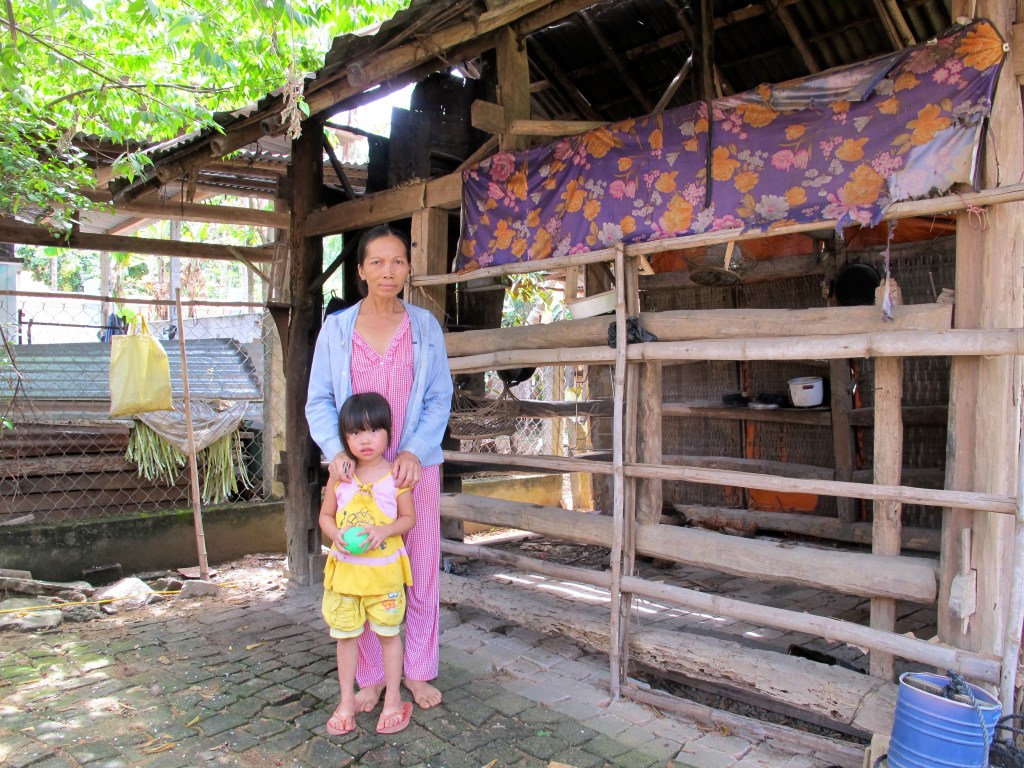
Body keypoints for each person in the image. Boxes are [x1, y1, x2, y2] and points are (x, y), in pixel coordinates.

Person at [306, 224, 453, 713]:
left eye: (397, 262)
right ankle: (368, 676)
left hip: (413, 471)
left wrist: (412, 450)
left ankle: (415, 671)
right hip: (355, 474)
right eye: (377, 262)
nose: (388, 271)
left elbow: (438, 397)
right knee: (362, 566)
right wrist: (337, 452)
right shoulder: (338, 328)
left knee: (419, 571)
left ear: (408, 268)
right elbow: (320, 401)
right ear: (361, 270)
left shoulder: (425, 326)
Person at [320, 392, 415, 736]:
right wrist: (336, 535)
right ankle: (346, 700)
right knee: (346, 638)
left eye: (374, 430)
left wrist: (384, 530)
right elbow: (325, 516)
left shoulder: (396, 477)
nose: (365, 439)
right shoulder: (340, 476)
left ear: (388, 433)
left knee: (389, 636)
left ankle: (392, 698)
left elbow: (408, 520)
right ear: (344, 437)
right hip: (345, 579)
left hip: (384, 578)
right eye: (355, 433)